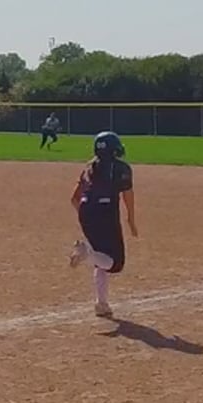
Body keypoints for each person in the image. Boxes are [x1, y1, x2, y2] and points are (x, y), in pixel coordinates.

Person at [69, 131, 138, 319]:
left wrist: (88, 217)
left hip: (86, 212)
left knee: (101, 260)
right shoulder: (121, 168)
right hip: (106, 213)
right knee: (115, 263)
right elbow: (128, 196)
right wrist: (131, 220)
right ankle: (87, 253)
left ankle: (101, 304)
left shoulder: (89, 167)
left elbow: (74, 199)